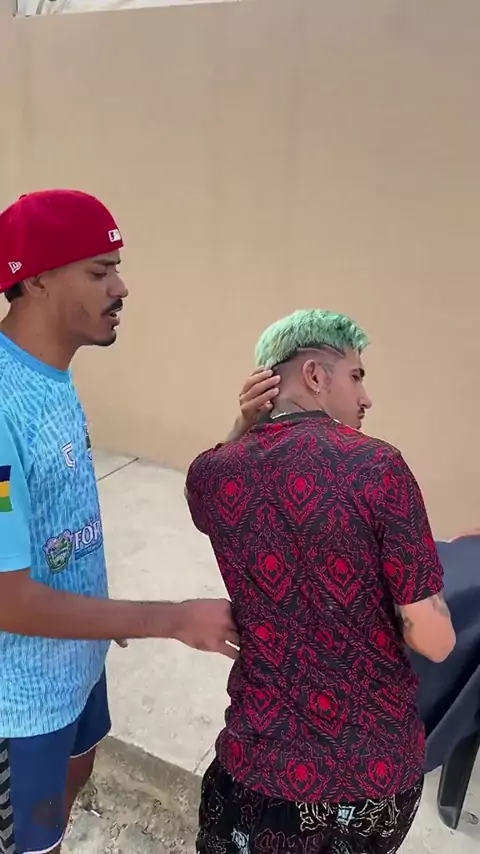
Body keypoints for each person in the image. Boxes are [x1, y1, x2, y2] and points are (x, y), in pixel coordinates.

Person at [0, 189, 241, 854]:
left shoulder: (48, 376)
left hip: (78, 661)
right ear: (36, 280)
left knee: (72, 786)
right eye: (99, 271)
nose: (121, 287)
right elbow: (7, 599)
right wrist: (168, 619)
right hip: (20, 704)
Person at [185, 309, 456, 854]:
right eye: (356, 376)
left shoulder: (211, 474)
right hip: (372, 775)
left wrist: (243, 427)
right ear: (314, 375)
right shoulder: (379, 467)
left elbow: (204, 502)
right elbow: (435, 641)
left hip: (258, 769)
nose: (366, 397)